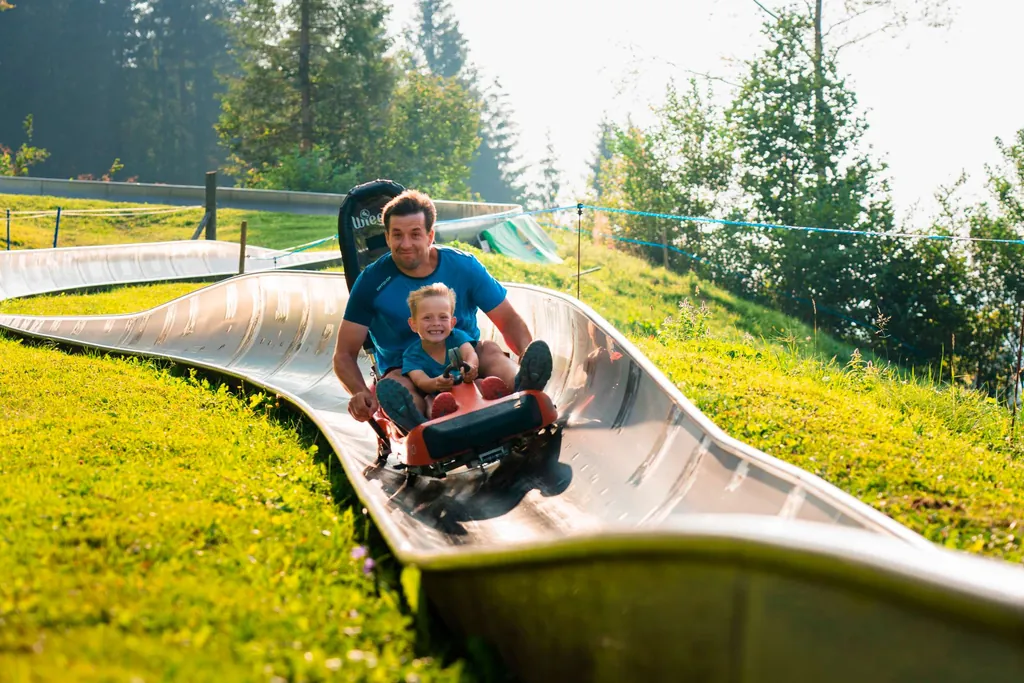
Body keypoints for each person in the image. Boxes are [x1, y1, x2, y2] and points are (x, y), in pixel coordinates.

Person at [332, 188, 552, 433]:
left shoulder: (463, 266)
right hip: (405, 368)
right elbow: (344, 354)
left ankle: (522, 384)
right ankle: (415, 419)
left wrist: (525, 352)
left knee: (489, 350)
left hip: (466, 357)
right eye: (397, 235)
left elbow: (508, 319)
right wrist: (360, 392)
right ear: (387, 238)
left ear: (430, 235)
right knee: (397, 384)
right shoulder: (370, 282)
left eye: (415, 234)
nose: (405, 244)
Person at [401, 282, 512, 420]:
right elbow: (420, 380)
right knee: (429, 403)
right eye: (427, 318)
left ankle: (498, 397)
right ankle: (444, 416)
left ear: (452, 323)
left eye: (443, 317)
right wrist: (436, 383)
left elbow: (469, 353)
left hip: (468, 387)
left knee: (481, 383)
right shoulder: (411, 355)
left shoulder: (457, 337)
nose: (436, 323)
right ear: (413, 324)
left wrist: (471, 367)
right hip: (439, 395)